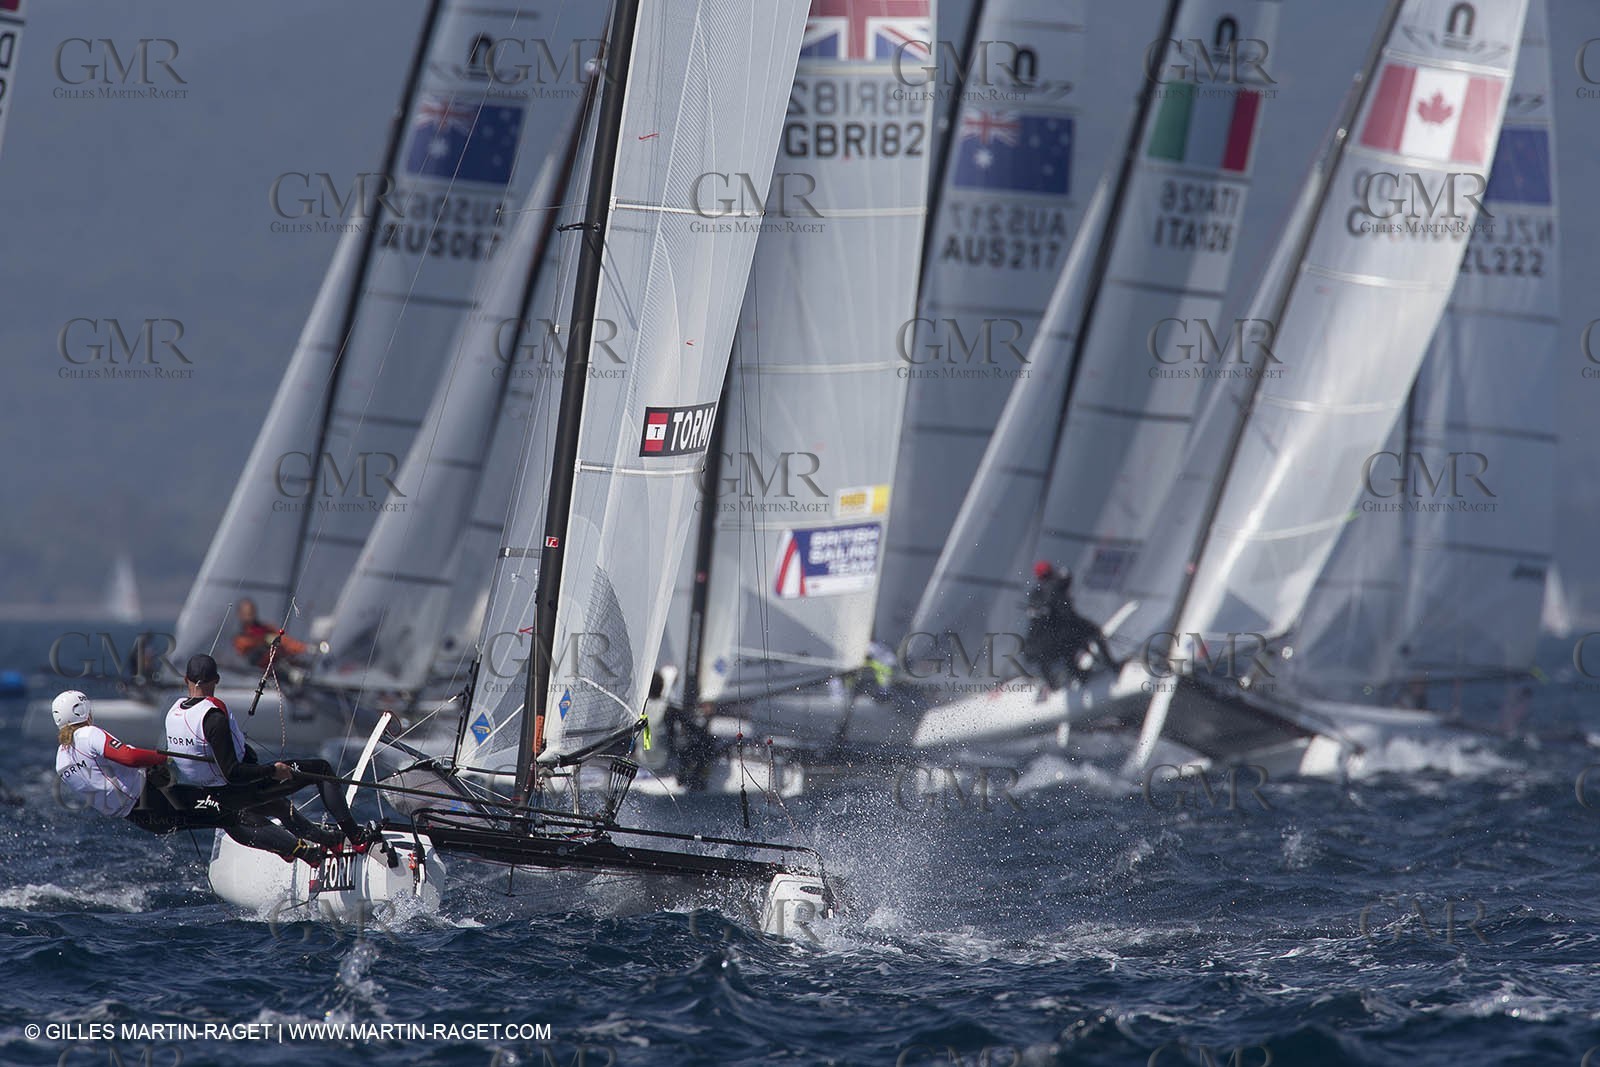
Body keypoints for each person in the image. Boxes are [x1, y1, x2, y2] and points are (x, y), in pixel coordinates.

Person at [54, 688, 346, 865]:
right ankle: (304, 852)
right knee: (232, 813)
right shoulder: (88, 734)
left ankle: (286, 849)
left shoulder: (62, 759)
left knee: (223, 817)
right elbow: (128, 757)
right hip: (158, 801)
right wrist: (162, 757)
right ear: (83, 710)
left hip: (143, 819)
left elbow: (107, 780)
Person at [164, 654, 379, 861]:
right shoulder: (213, 718)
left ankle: (324, 843)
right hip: (239, 790)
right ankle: (357, 837)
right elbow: (232, 773)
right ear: (217, 679)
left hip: (213, 795)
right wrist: (272, 771)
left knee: (279, 806)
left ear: (186, 679)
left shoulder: (173, 713)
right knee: (321, 770)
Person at [1024, 562, 1120, 690]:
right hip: (1067, 631)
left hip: (1051, 642)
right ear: (1051, 572)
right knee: (1095, 634)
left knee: (1066, 652)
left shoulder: (1036, 594)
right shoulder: (1055, 586)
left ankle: (1076, 678)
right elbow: (1066, 605)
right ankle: (1112, 666)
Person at [232, 598, 310, 670]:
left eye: (251, 612)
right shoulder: (240, 638)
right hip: (256, 673)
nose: (250, 615)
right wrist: (264, 639)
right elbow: (243, 650)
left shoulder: (267, 629)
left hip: (280, 668)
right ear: (240, 614)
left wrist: (306, 648)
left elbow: (286, 641)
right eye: (246, 613)